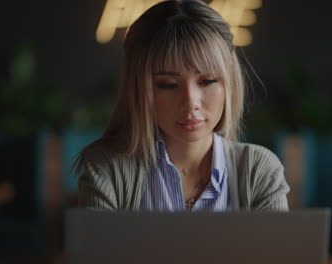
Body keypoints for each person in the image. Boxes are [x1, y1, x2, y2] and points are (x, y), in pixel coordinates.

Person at [74, 0, 290, 212]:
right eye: (168, 85)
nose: (190, 102)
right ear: (140, 90)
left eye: (207, 81)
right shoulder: (107, 167)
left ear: (229, 83)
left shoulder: (259, 170)